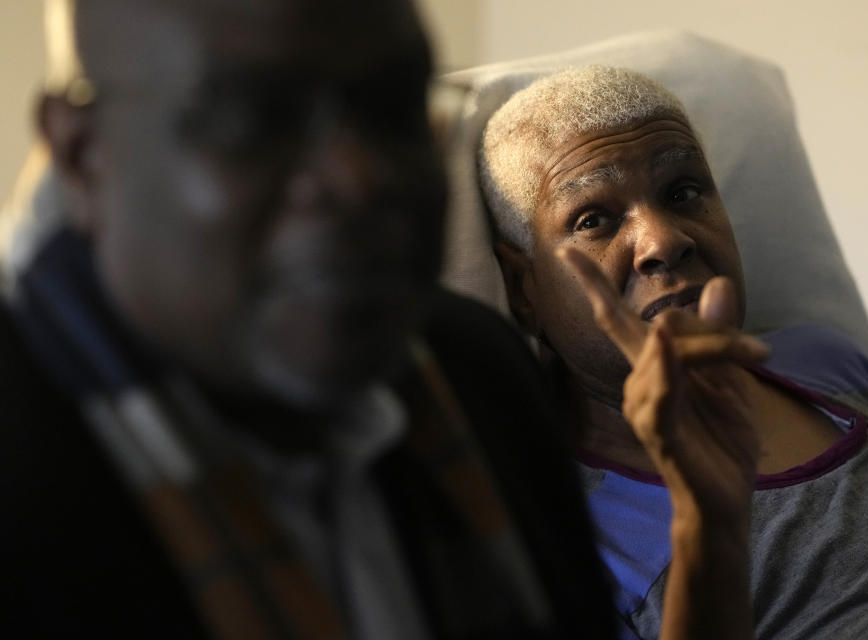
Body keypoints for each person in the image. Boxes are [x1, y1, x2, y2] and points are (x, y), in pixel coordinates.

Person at [0, 1, 617, 638]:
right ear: (82, 154)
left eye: (395, 106)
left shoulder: (482, 374)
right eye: (255, 118)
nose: (359, 177)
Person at [479, 65, 868, 639]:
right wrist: (706, 518)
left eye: (683, 192)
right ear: (522, 288)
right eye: (593, 220)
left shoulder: (828, 362)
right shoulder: (557, 524)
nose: (664, 241)